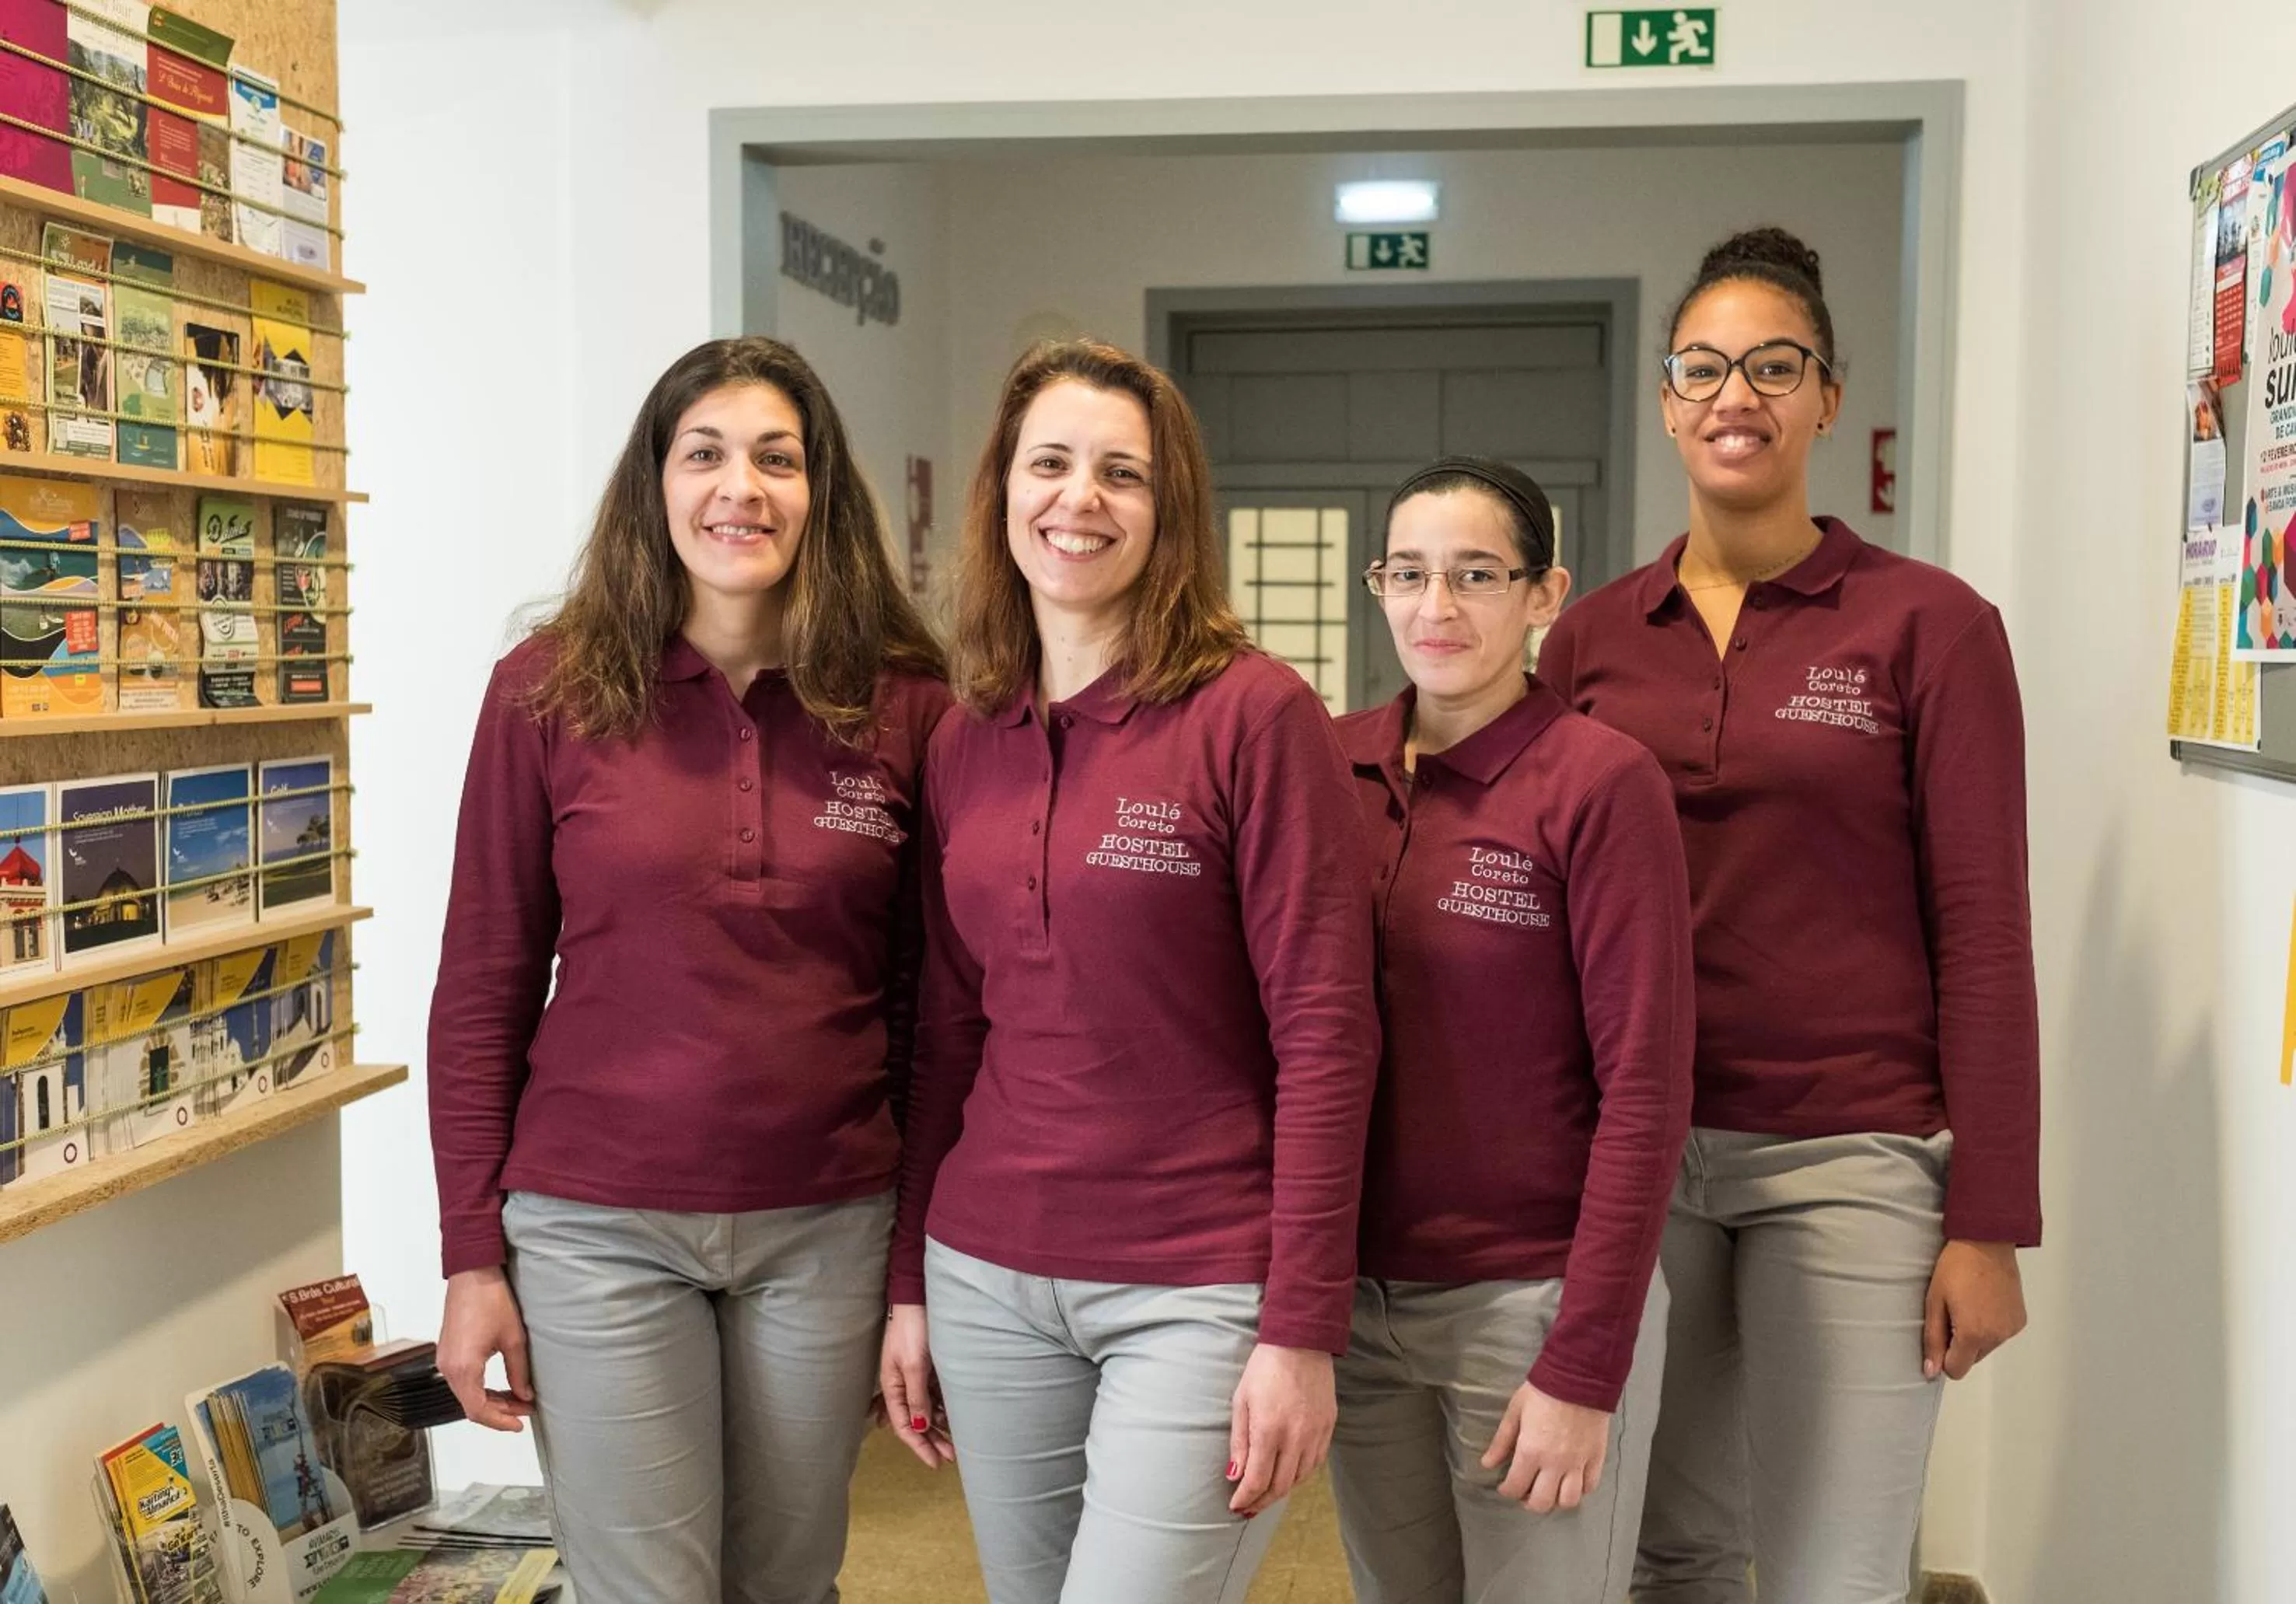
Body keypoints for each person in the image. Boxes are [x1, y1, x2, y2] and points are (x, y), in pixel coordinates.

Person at [1535, 226, 2039, 1604]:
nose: (1733, 396)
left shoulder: (1929, 626)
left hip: (1852, 1155)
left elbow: (1985, 926)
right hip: (1634, 1153)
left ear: (1826, 394)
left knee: (1836, 1570)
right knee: (1665, 1553)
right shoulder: (1589, 639)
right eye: (1701, 367)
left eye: (1773, 364)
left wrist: (1987, 1218)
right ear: (1665, 397)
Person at [427, 336, 949, 1603]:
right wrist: (470, 1257)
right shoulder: (546, 692)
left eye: (778, 458)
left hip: (826, 1220)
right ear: (653, 484)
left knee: (787, 1580)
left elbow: (936, 1017)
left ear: (820, 490)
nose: (741, 488)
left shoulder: (906, 706)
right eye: (704, 453)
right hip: (596, 1224)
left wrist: (911, 1273)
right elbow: (484, 981)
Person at [877, 337, 1379, 1604]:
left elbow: (1328, 1031)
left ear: (1171, 513)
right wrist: (908, 1291)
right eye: (1050, 463)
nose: (1080, 498)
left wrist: (1302, 1326)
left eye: (1123, 474)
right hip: (987, 1274)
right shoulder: (963, 737)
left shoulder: (1254, 716)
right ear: (1004, 493)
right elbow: (945, 1034)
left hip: (1198, 1282)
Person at [1327, 457, 1693, 1603]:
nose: (1436, 607)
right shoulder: (1323, 765)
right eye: (1410, 573)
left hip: (1527, 1303)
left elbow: (1646, 1085)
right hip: (1354, 1304)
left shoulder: (1599, 782)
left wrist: (1586, 1360)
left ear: (1546, 595)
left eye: (1476, 574)